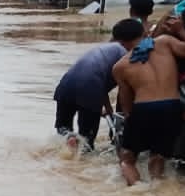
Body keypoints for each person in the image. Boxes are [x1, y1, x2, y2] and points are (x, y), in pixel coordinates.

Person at [112, 10, 185, 185]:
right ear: (144, 32)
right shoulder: (164, 43)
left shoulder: (120, 66)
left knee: (127, 158)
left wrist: (129, 119)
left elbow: (125, 101)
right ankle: (157, 188)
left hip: (143, 108)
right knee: (158, 156)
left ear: (120, 42)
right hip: (172, 107)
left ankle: (139, 192)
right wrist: (181, 30)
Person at [54, 19, 143, 151]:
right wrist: (127, 115)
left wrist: (107, 108)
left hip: (65, 85)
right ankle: (82, 154)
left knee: (63, 128)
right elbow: (124, 90)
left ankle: (69, 140)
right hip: (90, 89)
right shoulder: (126, 55)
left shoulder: (104, 48)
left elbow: (102, 84)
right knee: (87, 139)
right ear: (134, 39)